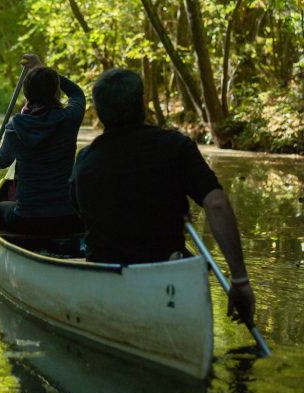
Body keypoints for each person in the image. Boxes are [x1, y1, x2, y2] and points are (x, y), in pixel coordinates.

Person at [70, 68, 255, 323]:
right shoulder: (176, 146)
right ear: (142, 105)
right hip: (168, 273)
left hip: (107, 274)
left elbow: (82, 212)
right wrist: (240, 280)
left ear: (99, 114)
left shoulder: (85, 162)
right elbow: (217, 204)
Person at [0, 54, 85, 235]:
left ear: (25, 94)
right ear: (57, 91)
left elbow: (1, 162)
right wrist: (43, 69)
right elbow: (77, 92)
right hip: (68, 219)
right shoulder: (70, 118)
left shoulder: (15, 127)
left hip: (27, 220)